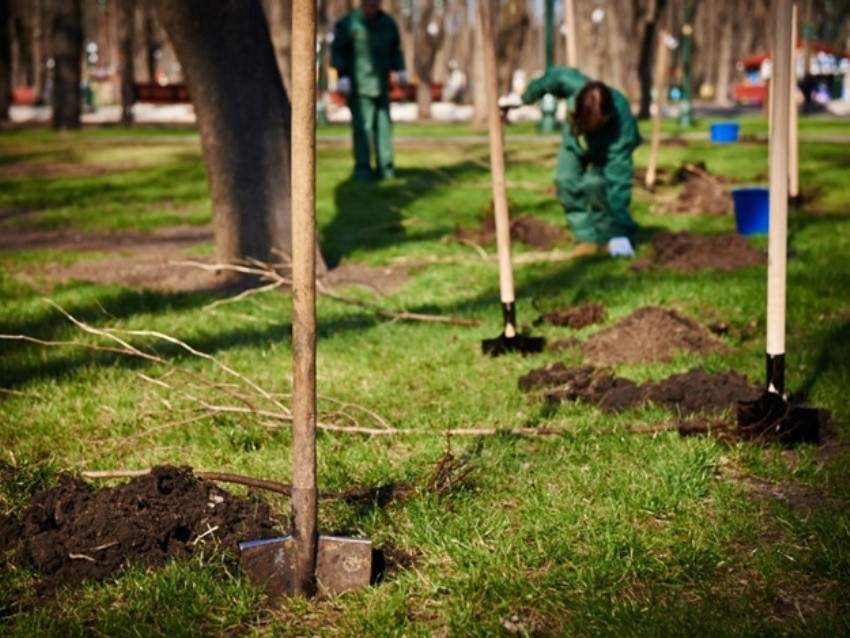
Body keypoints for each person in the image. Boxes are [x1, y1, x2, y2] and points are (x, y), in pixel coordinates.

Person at [516, 67, 641, 257]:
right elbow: (552, 78)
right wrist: (524, 98)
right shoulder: (574, 86)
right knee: (565, 181)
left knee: (596, 185)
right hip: (574, 144)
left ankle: (608, 235)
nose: (592, 128)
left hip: (606, 149)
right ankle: (586, 238)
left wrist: (619, 234)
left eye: (597, 125)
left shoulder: (622, 126)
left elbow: (619, 183)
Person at [331, 0, 406, 181]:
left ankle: (385, 168)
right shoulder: (349, 23)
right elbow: (338, 50)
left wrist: (400, 68)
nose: (372, 5)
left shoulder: (388, 24)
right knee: (362, 129)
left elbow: (395, 50)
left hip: (381, 85)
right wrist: (342, 75)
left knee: (384, 127)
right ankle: (363, 169)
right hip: (359, 86)